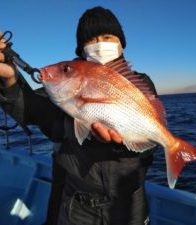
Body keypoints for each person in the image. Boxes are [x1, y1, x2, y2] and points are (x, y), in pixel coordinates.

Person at [0, 6, 158, 225]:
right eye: (91, 40)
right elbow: (34, 111)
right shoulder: (65, 88)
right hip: (78, 208)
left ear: (121, 43)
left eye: (107, 36)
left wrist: (121, 144)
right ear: (81, 49)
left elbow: (149, 143)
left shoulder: (140, 84)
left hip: (130, 204)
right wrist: (10, 81)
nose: (100, 44)